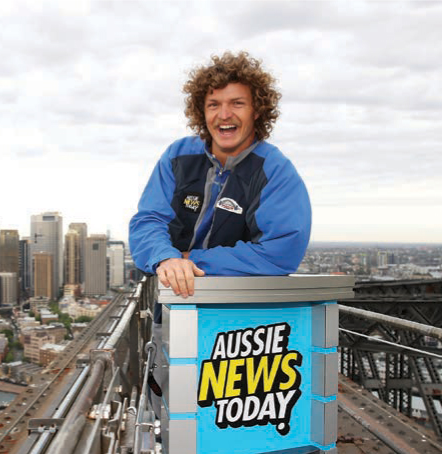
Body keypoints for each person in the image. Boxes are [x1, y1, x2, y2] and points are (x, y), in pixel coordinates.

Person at [129, 51, 311, 298]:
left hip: (241, 317)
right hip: (174, 307)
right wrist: (165, 258)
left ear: (256, 111)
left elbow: (281, 251)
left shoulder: (275, 171)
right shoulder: (178, 156)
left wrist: (189, 260)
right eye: (214, 105)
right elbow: (149, 220)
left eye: (237, 103)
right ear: (202, 113)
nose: (224, 115)